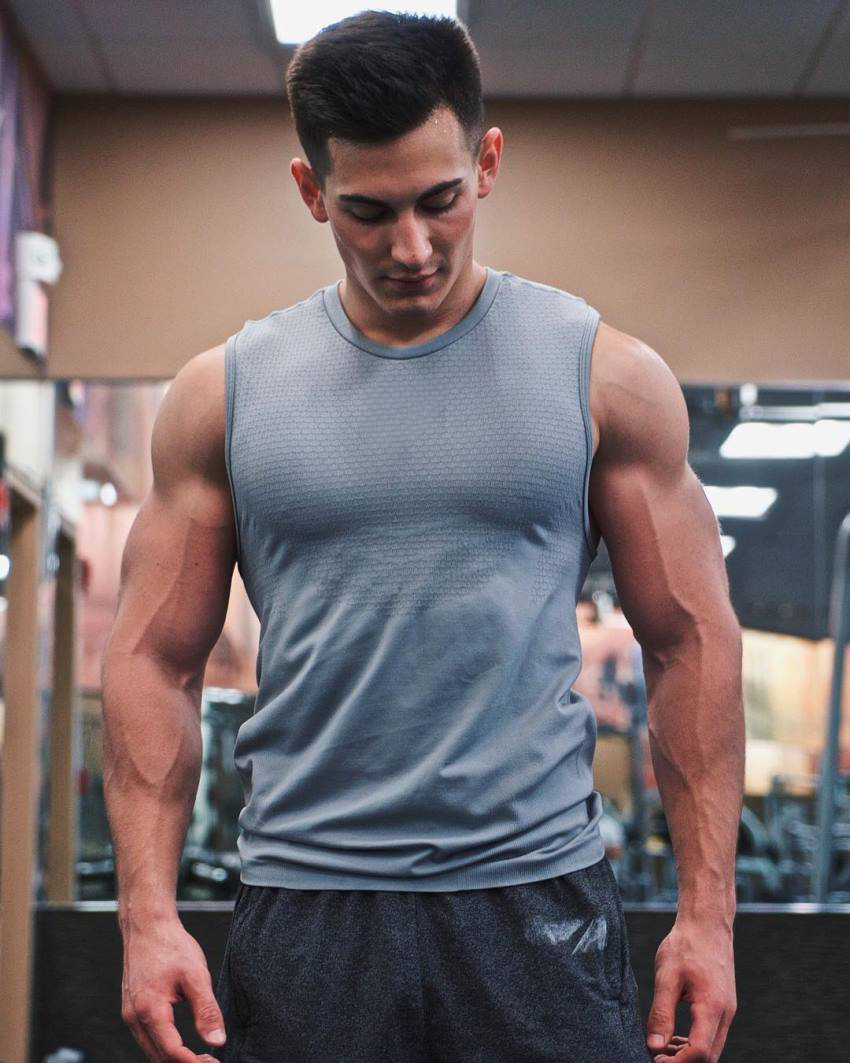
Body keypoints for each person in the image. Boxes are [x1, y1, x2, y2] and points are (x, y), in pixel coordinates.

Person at [101, 9, 744, 1063]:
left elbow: (691, 641)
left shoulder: (603, 377)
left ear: (485, 163)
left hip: (534, 899)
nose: (412, 246)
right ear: (312, 193)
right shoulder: (223, 396)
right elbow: (152, 660)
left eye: (440, 201)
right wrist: (147, 915)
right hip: (311, 902)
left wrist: (707, 919)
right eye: (368, 211)